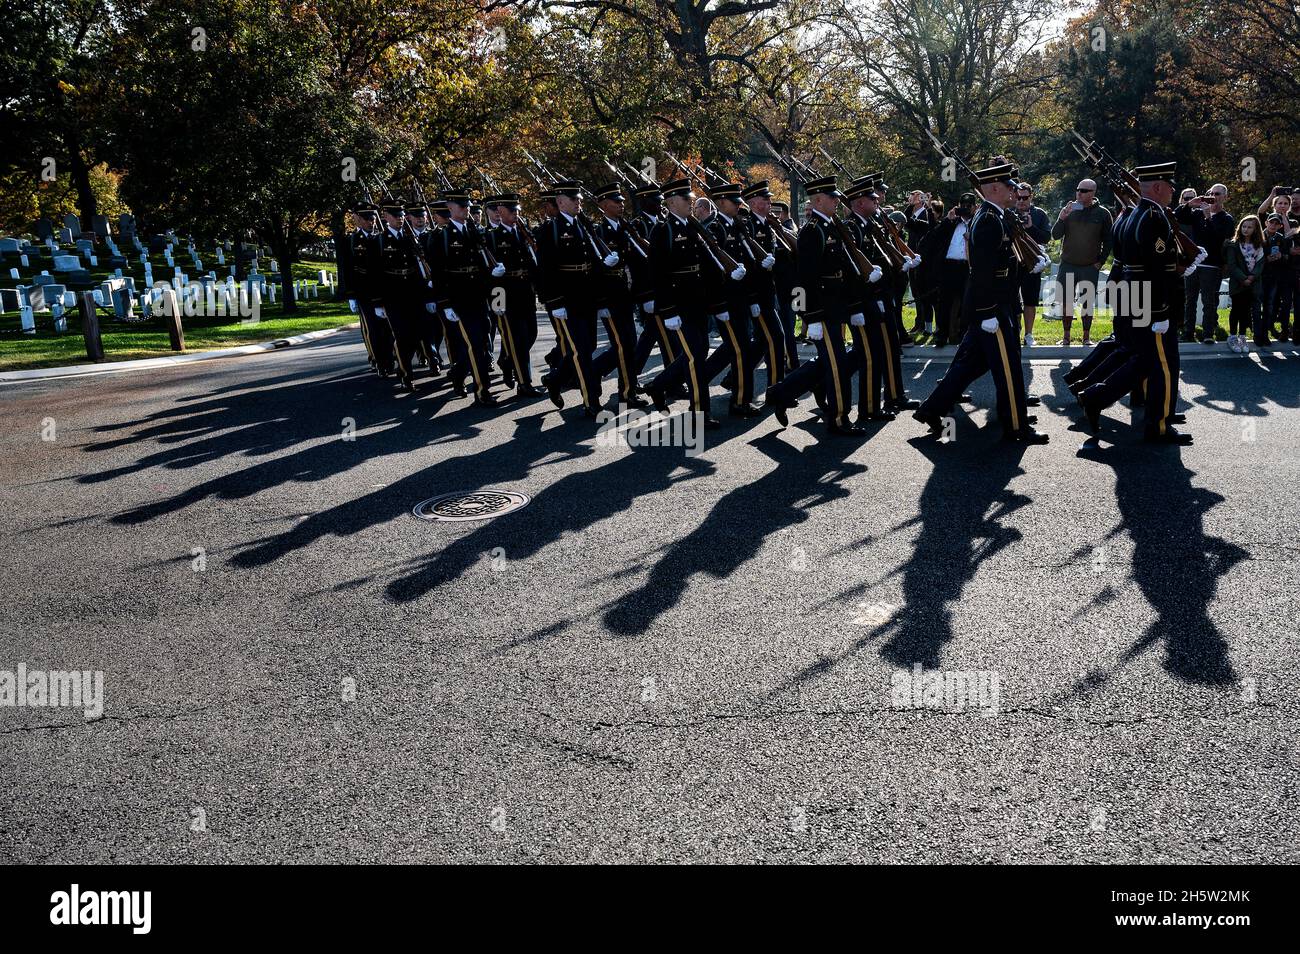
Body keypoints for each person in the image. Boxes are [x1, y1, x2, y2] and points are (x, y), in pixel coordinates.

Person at [912, 161, 1048, 445]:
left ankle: (931, 409)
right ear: (996, 188)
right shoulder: (988, 220)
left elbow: (1003, 263)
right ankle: (1016, 426)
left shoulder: (995, 216)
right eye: (1009, 186)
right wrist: (988, 312)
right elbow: (984, 271)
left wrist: (1027, 267)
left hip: (996, 304)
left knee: (970, 365)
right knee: (1008, 367)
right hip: (992, 308)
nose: (1014, 190)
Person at [1076, 161, 1191, 445]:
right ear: (1159, 187)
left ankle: (1096, 396)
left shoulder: (1133, 214)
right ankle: (1159, 426)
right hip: (1149, 299)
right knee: (1163, 362)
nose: (1173, 190)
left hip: (1134, 294)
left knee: (1146, 359)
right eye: (1170, 185)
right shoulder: (1153, 216)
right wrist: (1163, 309)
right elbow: (1157, 268)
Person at [763, 174, 865, 436]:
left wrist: (853, 307)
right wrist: (812, 317)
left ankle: (781, 392)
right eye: (832, 197)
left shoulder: (833, 226)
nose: (836, 201)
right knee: (837, 364)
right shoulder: (812, 231)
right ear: (818, 199)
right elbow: (804, 278)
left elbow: (846, 269)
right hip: (823, 310)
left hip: (837, 307)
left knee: (833, 361)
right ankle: (839, 419)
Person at [644, 177, 724, 427]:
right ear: (671, 202)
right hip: (678, 305)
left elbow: (707, 265)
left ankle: (658, 385)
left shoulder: (694, 226)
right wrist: (667, 310)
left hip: (698, 301)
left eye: (691, 199)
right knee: (695, 356)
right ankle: (700, 412)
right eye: (686, 199)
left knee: (697, 352)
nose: (691, 202)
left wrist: (717, 303)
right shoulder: (662, 230)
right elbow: (657, 274)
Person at [536, 179, 619, 419]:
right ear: (560, 202)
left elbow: (592, 263)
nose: (578, 202)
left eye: (579, 198)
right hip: (567, 299)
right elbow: (547, 271)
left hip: (587, 296)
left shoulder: (584, 225)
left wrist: (602, 295)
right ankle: (590, 400)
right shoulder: (549, 230)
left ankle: (556, 379)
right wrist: (555, 303)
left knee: (588, 346)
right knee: (581, 351)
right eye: (574, 199)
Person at [428, 186, 503, 406]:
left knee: (481, 340)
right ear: (450, 208)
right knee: (475, 344)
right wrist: (445, 303)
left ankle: (458, 373)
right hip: (458, 299)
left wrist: (492, 274)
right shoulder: (441, 236)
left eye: (468, 206)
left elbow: (482, 263)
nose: (466, 210)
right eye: (462, 206)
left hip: (479, 296)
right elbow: (438, 273)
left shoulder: (475, 232)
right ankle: (482, 392)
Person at [485, 193, 542, 396]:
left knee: (531, 334)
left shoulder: (524, 233)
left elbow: (534, 262)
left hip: (525, 291)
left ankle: (507, 360)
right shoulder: (492, 236)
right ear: (500, 211)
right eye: (511, 210)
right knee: (518, 339)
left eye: (517, 210)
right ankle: (524, 383)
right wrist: (496, 300)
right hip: (505, 294)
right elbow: (488, 273)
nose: (516, 214)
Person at [1050, 178, 1112, 347]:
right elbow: (1055, 235)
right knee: (1066, 302)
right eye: (1078, 189)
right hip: (1068, 264)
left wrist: (1100, 262)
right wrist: (1062, 218)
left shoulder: (1103, 213)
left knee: (1087, 302)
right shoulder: (1069, 210)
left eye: (1084, 190)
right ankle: (1066, 337)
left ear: (1093, 193)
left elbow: (1108, 240)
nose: (1079, 192)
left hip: (1089, 266)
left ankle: (1086, 337)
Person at [1174, 183, 1234, 343]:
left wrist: (1208, 217)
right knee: (1190, 300)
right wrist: (1189, 204)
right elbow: (1176, 216)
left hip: (1212, 265)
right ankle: (1188, 332)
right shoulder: (1197, 214)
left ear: (1225, 198)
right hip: (1194, 264)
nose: (1214, 197)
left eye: (1218, 194)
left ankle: (1208, 333)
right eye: (1211, 193)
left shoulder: (1226, 219)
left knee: (1209, 301)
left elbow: (1218, 238)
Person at [925, 192, 976, 347]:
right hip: (949, 266)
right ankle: (942, 334)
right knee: (944, 303)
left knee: (966, 303)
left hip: (968, 267)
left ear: (974, 207)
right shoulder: (951, 222)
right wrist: (948, 219)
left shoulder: (977, 222)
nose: (965, 209)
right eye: (963, 206)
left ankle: (963, 335)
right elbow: (932, 237)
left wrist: (971, 236)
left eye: (969, 206)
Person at [1012, 183, 1051, 346]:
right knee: (1012, 300)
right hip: (1013, 262)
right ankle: (1015, 332)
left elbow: (1046, 237)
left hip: (1032, 263)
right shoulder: (1008, 213)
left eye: (1025, 197)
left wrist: (1030, 227)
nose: (1021, 201)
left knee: (1030, 300)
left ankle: (1028, 334)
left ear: (1031, 197)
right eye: (1018, 197)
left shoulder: (1039, 214)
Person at [1223, 215, 1266, 350]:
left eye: (1249, 227)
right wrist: (1243, 278)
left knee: (1245, 311)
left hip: (1252, 284)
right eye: (1244, 226)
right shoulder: (1233, 244)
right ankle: (1232, 337)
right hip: (1238, 283)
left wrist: (1252, 277)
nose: (1246, 229)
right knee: (1236, 309)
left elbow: (1260, 263)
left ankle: (1242, 337)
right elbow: (1232, 265)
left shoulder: (1258, 245)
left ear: (1256, 229)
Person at [1260, 213, 1293, 345]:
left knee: (1269, 306)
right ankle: (1256, 332)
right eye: (1271, 222)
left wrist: (1281, 256)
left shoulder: (1281, 238)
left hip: (1274, 277)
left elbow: (1287, 256)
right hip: (1259, 276)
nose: (1273, 225)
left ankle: (1264, 333)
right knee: (1256, 305)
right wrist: (1265, 259)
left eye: (1276, 223)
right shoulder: (1258, 236)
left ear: (1280, 226)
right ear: (1266, 223)